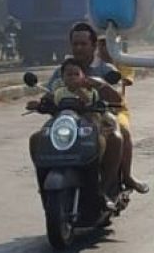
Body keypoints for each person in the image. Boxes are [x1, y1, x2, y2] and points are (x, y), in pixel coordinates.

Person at [47, 22, 148, 194]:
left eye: (83, 44)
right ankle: (45, 187)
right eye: (75, 44)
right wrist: (42, 103)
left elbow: (117, 99)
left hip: (99, 120)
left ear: (93, 46)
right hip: (68, 122)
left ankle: (110, 187)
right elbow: (49, 93)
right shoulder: (61, 71)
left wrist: (99, 85)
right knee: (37, 139)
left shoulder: (105, 69)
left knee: (118, 135)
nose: (78, 48)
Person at [29, 58, 124, 205]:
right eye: (69, 75)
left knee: (114, 140)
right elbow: (47, 101)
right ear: (62, 77)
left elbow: (112, 101)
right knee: (36, 139)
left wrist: (85, 90)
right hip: (64, 128)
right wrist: (38, 105)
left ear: (83, 75)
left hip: (89, 126)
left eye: (76, 74)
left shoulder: (91, 88)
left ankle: (105, 190)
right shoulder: (58, 90)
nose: (72, 78)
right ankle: (43, 187)